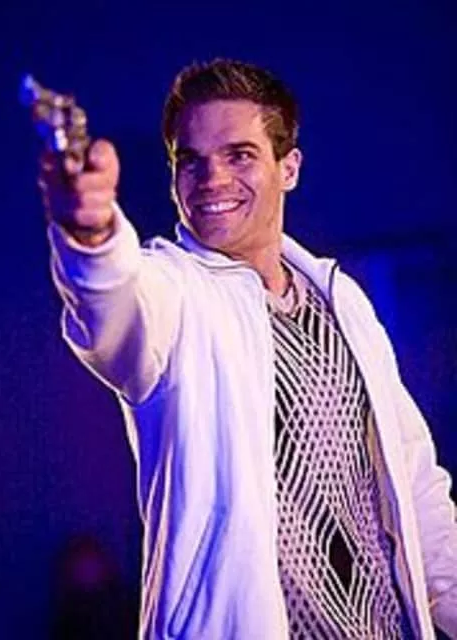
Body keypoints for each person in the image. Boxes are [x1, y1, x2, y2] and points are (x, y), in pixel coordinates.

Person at [38, 58, 457, 639]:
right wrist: (92, 236)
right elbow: (114, 303)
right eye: (190, 160)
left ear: (289, 168)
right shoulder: (177, 294)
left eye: (238, 155)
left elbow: (414, 484)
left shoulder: (343, 302)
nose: (211, 178)